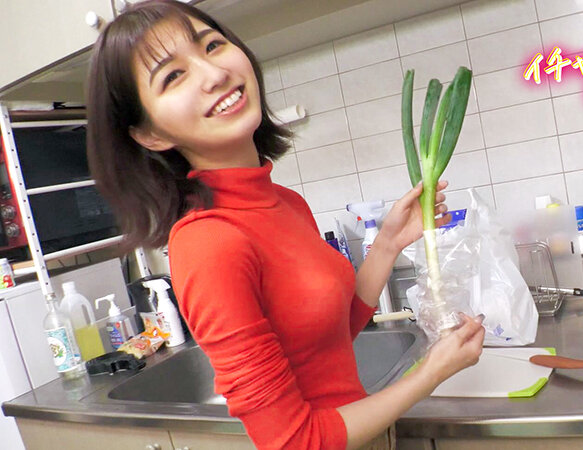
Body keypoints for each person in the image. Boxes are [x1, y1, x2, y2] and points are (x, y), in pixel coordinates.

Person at [85, 1, 485, 449]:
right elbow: (293, 442)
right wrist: (430, 373)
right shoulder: (207, 243)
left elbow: (331, 336)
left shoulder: (286, 203)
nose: (213, 73)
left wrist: (389, 242)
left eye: (212, 46)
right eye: (173, 76)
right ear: (151, 134)